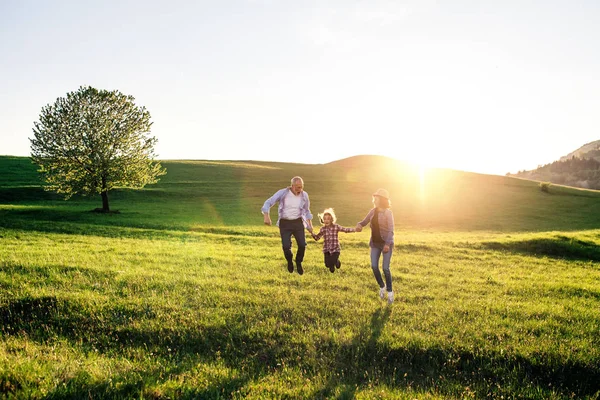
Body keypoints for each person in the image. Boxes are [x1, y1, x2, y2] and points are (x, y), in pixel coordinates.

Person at [262, 176, 313, 275]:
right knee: (286, 246)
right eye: (298, 187)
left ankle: (298, 262)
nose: (300, 189)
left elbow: (307, 211)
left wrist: (309, 226)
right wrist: (266, 216)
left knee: (302, 245)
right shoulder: (283, 193)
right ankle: (289, 261)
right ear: (292, 186)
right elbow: (268, 202)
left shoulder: (304, 195)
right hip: (285, 223)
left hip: (298, 222)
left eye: (301, 186)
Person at [356, 188, 395, 304]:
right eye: (374, 197)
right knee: (374, 266)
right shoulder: (372, 211)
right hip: (375, 243)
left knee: (385, 268)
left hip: (386, 244)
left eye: (377, 197)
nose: (374, 199)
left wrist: (387, 244)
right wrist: (359, 225)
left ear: (382, 199)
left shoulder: (388, 213)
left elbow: (391, 230)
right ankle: (382, 286)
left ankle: (390, 292)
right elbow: (363, 222)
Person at [310, 208, 356, 273]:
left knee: (333, 261)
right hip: (326, 249)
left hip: (335, 249)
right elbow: (317, 238)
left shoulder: (336, 227)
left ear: (331, 219)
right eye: (325, 219)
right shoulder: (323, 229)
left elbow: (345, 230)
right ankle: (332, 264)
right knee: (327, 264)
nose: (326, 220)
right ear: (323, 220)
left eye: (328, 219)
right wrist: (312, 233)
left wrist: (354, 229)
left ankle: (336, 262)